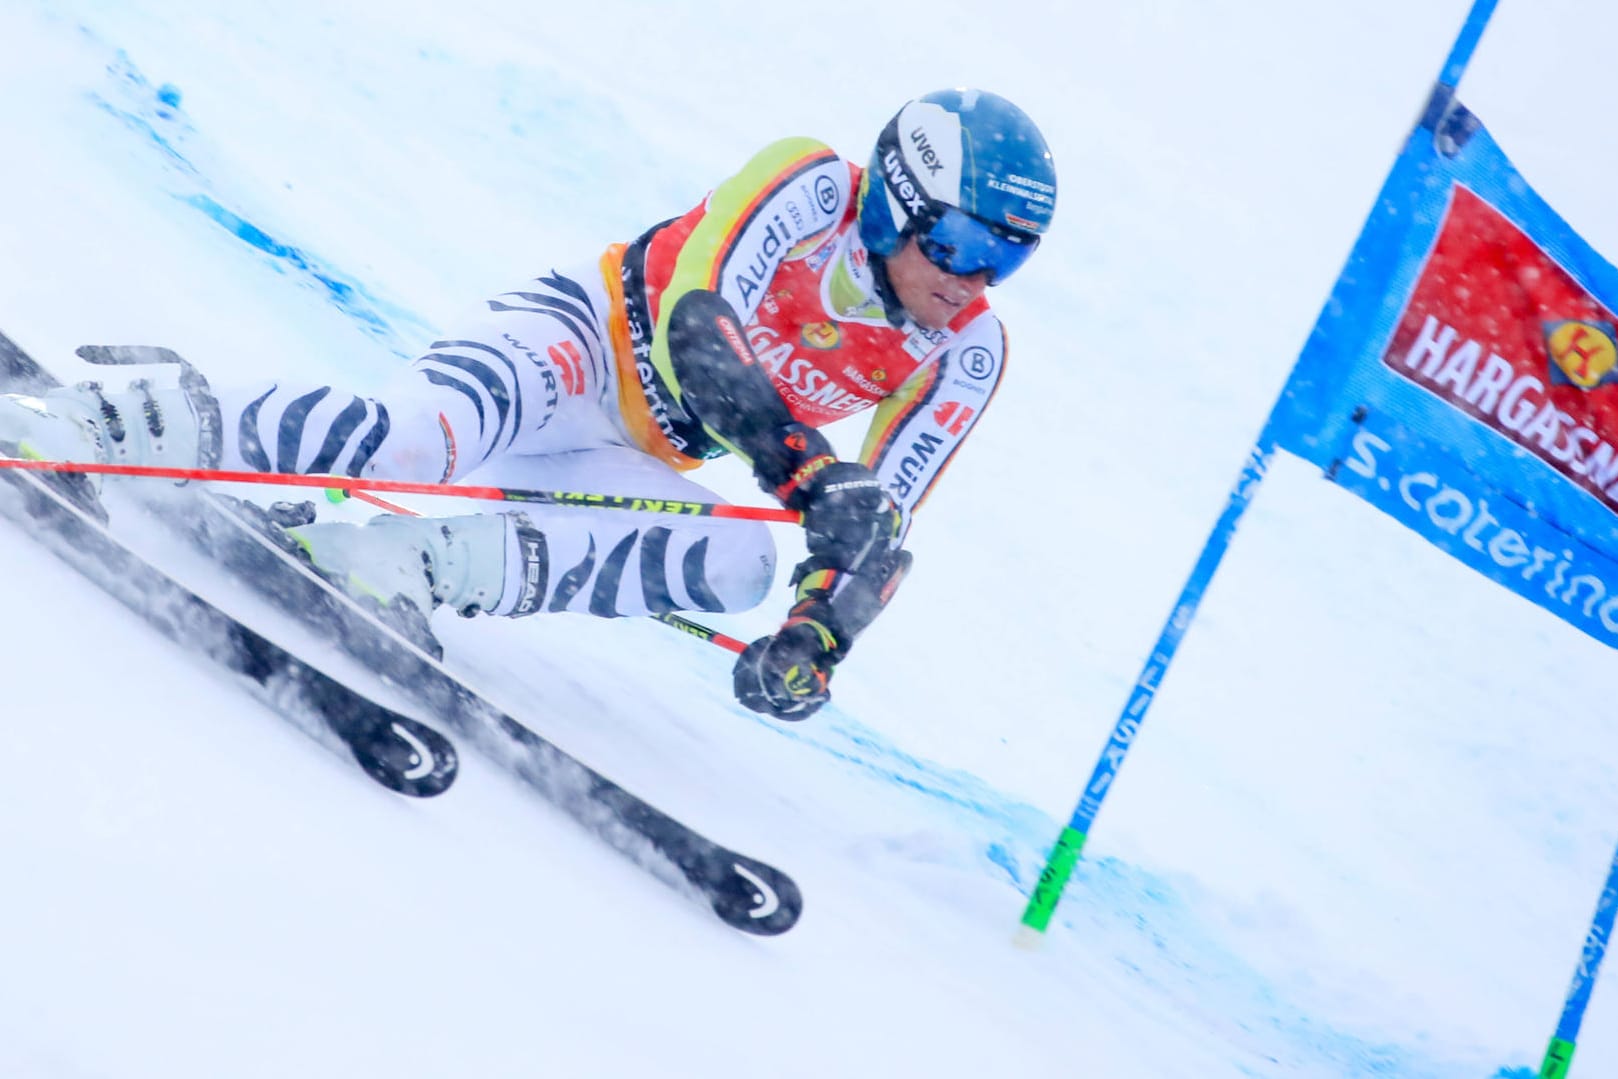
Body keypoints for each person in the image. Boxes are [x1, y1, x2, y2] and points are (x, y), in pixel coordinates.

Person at [0, 87, 1057, 720]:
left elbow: (877, 523)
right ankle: (100, 420)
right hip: (582, 343)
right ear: (898, 199)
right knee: (409, 441)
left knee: (736, 561)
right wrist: (805, 467)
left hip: (641, 448)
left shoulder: (961, 353)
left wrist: (816, 634)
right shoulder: (810, 187)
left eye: (1006, 258)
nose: (971, 279)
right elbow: (697, 326)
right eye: (960, 242)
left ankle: (392, 567)